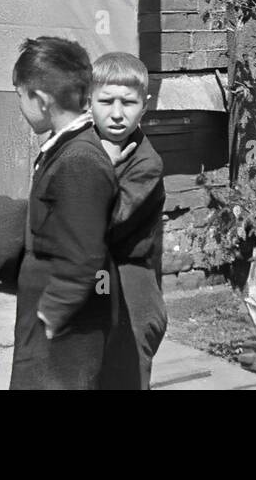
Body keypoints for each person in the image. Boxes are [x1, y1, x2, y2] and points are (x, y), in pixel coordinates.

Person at [10, 37, 117, 390]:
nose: (20, 105)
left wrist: (51, 315)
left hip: (64, 327)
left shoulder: (79, 160)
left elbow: (84, 254)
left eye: (20, 96)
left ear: (40, 101)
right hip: (51, 315)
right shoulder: (67, 149)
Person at [91, 51, 167, 390]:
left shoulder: (145, 163)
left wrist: (102, 168)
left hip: (128, 276)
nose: (118, 114)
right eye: (106, 101)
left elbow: (104, 220)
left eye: (129, 102)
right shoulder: (79, 144)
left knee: (126, 369)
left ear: (145, 105)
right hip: (89, 269)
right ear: (87, 101)